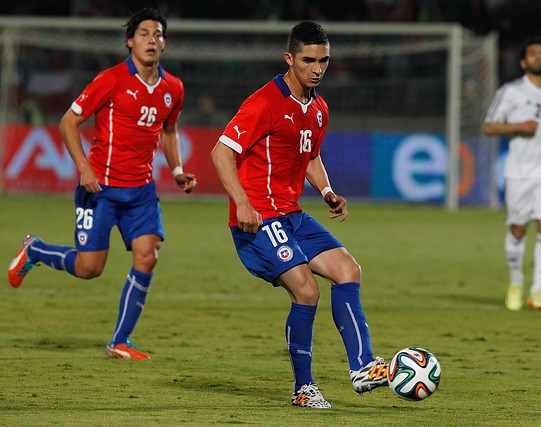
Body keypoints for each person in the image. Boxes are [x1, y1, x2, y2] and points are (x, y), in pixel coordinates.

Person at [210, 21, 387, 409]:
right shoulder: (264, 102)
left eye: (323, 60)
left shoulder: (319, 108)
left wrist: (326, 191)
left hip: (290, 214)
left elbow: (309, 155)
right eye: (308, 59)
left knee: (348, 269)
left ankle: (362, 366)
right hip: (257, 219)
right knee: (307, 290)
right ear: (289, 58)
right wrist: (241, 201)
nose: (317, 68)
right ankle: (303, 388)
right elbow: (221, 152)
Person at [7, 8, 196, 359]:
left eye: (157, 34)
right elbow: (68, 122)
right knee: (88, 268)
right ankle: (35, 250)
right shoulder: (110, 79)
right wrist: (84, 168)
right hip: (100, 190)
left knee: (148, 256)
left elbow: (168, 131)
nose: (151, 39)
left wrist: (177, 168)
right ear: (129, 41)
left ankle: (119, 341)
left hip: (141, 192)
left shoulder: (173, 88)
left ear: (165, 42)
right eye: (143, 33)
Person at [483, 38, 541, 311]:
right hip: (520, 170)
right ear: (523, 62)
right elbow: (489, 127)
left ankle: (537, 291)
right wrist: (519, 126)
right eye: (533, 54)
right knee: (519, 229)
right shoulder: (511, 92)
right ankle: (516, 280)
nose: (539, 57)